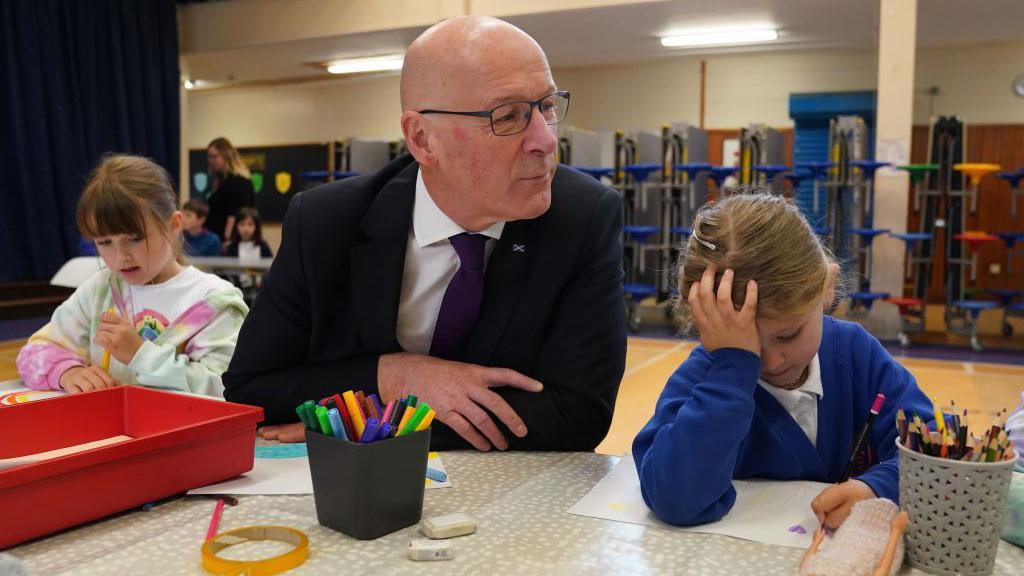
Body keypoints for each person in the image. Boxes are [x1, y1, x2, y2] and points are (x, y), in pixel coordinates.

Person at [223, 16, 626, 451]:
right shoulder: (325, 223)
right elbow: (251, 388)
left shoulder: (582, 218)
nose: (546, 140)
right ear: (422, 139)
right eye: (508, 116)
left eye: (547, 106)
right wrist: (394, 376)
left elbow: (580, 413)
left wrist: (376, 424)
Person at [632, 191, 934, 529]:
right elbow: (674, 498)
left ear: (827, 287)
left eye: (788, 335)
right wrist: (732, 368)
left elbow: (930, 456)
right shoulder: (706, 376)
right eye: (749, 344)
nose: (773, 362)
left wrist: (875, 487)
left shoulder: (858, 357)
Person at [16, 155, 248, 396]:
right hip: (111, 432)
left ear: (174, 225)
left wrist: (141, 355)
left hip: (184, 432)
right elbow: (34, 353)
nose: (120, 257)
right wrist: (67, 373)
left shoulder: (214, 302)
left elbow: (224, 388)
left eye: (135, 238)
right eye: (104, 242)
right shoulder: (102, 289)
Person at [205, 137, 255, 243]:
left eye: (214, 156)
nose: (210, 161)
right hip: (216, 238)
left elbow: (234, 214)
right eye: (209, 157)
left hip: (229, 241)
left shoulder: (238, 181)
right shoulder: (219, 181)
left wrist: (227, 239)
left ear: (227, 156)